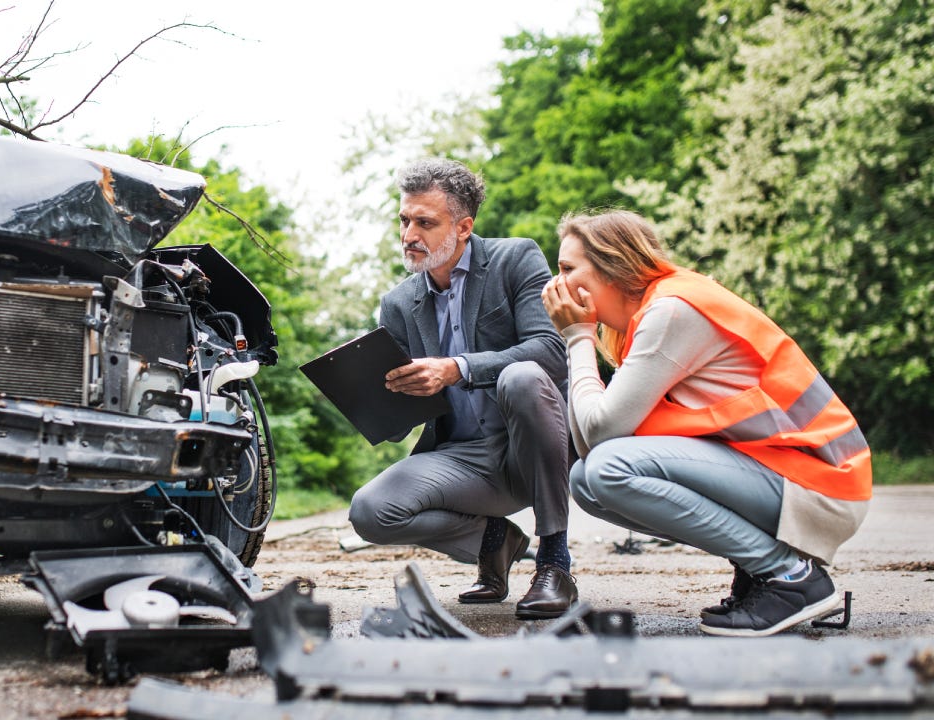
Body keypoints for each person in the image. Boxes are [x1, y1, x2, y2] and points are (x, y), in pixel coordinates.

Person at [541, 209, 871, 637]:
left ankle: (789, 577)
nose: (556, 283)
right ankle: (760, 568)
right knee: (588, 480)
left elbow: (601, 434)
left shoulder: (672, 312)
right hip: (783, 475)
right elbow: (591, 441)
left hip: (820, 484)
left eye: (567, 269)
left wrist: (578, 336)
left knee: (608, 470)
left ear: (612, 267)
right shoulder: (648, 318)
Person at [348, 158, 576, 618]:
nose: (409, 235)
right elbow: (398, 424)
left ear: (464, 226)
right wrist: (368, 393)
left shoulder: (516, 259)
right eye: (404, 220)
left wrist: (457, 368)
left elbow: (551, 352)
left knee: (523, 375)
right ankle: (495, 540)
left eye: (425, 223)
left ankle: (555, 561)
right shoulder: (397, 303)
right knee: (369, 512)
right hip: (463, 458)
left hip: (531, 446)